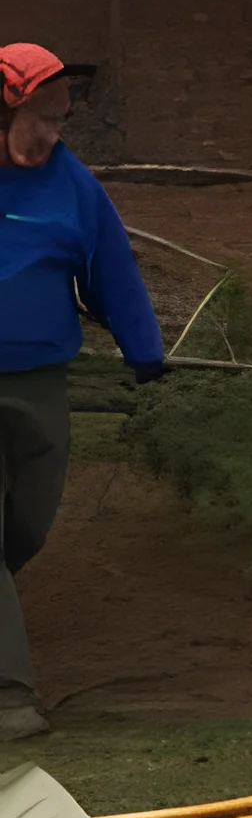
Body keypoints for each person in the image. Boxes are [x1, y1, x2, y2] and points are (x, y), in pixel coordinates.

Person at [0, 45, 163, 742]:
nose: (51, 134)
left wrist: (145, 351)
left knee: (27, 526)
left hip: (39, 381)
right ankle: (10, 697)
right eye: (42, 119)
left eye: (61, 121)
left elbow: (113, 272)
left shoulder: (72, 187)